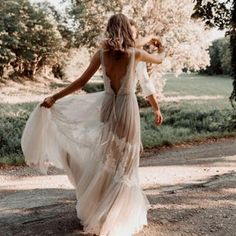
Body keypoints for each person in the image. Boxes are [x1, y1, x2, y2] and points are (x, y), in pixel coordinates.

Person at [21, 13, 165, 236]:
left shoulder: (101, 54)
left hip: (108, 107)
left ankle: (104, 209)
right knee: (126, 161)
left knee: (109, 157)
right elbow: (160, 59)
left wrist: (54, 98)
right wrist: (161, 46)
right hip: (127, 108)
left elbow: (80, 82)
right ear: (128, 31)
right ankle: (117, 215)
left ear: (109, 30)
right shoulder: (136, 54)